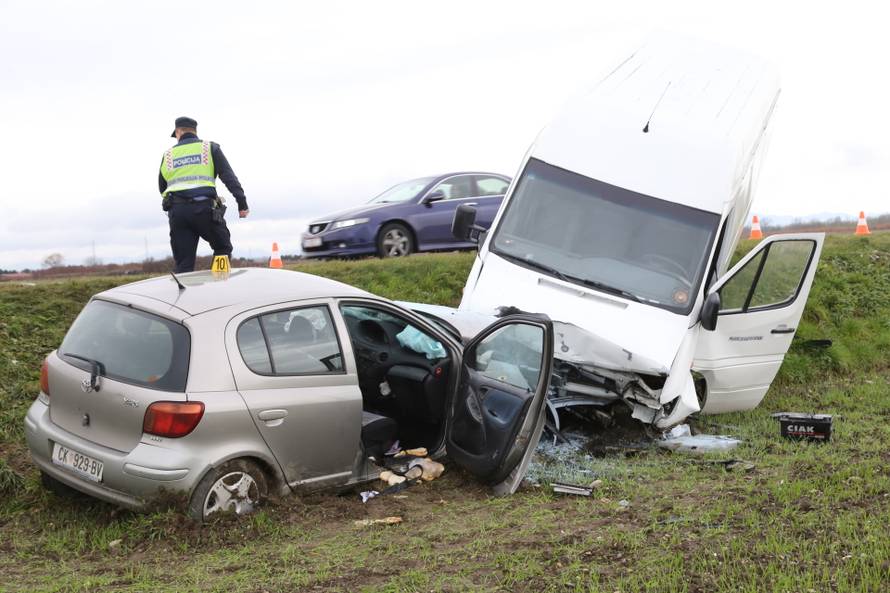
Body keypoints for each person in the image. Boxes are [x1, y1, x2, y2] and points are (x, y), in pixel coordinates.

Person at [159, 116, 250, 272]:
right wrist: (242, 203)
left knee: (184, 262)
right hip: (205, 210)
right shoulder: (209, 148)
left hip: (177, 213)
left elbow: (162, 187)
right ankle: (219, 284)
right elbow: (229, 178)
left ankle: (184, 294)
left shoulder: (168, 155)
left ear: (178, 132)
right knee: (222, 247)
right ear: (195, 131)